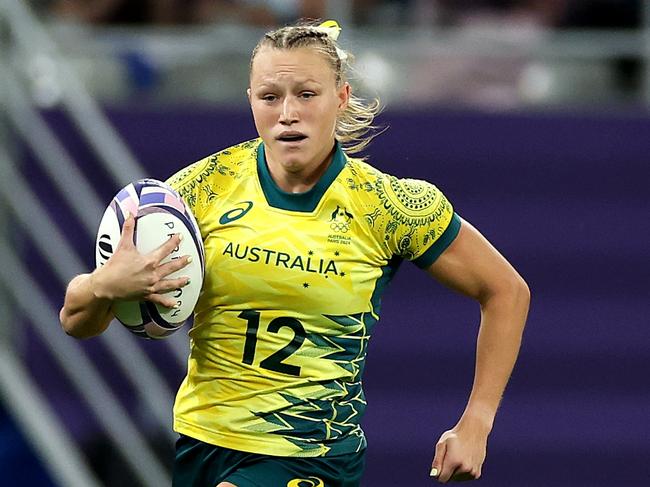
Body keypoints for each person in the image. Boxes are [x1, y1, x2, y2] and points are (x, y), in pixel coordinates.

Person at [59, 19, 530, 486]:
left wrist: (478, 422)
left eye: (306, 94)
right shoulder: (198, 192)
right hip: (201, 443)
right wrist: (103, 285)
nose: (287, 113)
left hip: (312, 454)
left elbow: (506, 291)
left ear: (340, 98)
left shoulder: (390, 206)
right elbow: (76, 322)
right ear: (250, 101)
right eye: (270, 97)